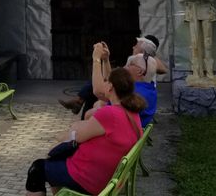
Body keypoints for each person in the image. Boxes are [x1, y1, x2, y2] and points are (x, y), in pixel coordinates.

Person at [25, 65, 145, 196]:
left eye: (105, 81)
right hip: (104, 176)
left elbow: (79, 136)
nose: (103, 84)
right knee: (56, 158)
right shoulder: (132, 112)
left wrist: (73, 129)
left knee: (37, 169)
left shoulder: (110, 113)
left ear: (110, 86)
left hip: (88, 178)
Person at [58, 35, 167, 118]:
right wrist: (106, 59)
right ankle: (79, 104)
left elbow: (99, 91)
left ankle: (79, 103)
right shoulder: (144, 83)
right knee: (95, 101)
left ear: (139, 71)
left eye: (130, 65)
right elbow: (111, 79)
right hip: (124, 123)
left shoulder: (136, 86)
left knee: (94, 100)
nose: (133, 46)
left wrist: (96, 59)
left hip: (119, 129)